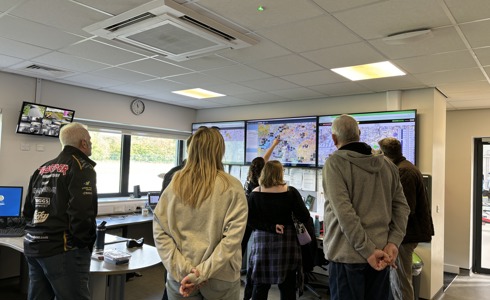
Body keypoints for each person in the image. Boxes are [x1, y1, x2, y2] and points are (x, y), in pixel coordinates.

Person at [153, 126, 248, 299]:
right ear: (219, 151)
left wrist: (185, 269)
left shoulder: (175, 183)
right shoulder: (232, 186)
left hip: (181, 276)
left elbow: (160, 231)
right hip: (221, 276)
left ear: (192, 149)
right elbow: (232, 239)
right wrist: (201, 273)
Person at [322, 114, 410, 300]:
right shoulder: (388, 165)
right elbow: (402, 207)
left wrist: (368, 251)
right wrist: (393, 242)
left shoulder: (334, 164)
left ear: (334, 138)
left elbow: (344, 213)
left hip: (348, 258)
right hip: (382, 254)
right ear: (359, 133)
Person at [23, 122, 98, 300]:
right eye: (90, 140)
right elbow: (81, 211)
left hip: (34, 245)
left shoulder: (41, 169)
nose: (91, 144)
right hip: (62, 249)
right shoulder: (82, 167)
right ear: (83, 143)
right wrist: (84, 244)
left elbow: (28, 210)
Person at [378, 137, 434, 300]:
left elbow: (405, 208)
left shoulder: (404, 171)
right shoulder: (404, 167)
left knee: (401, 280)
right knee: (397, 279)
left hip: (406, 234)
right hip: (406, 233)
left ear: (384, 153)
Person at [247, 160, 310, 300]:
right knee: (287, 286)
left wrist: (269, 227)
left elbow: (250, 221)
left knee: (261, 284)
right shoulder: (291, 192)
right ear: (280, 173)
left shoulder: (255, 194)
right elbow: (304, 216)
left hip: (262, 245)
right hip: (286, 244)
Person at [242, 137, 280, 300]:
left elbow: (263, 159)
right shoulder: (260, 185)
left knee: (243, 248)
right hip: (253, 220)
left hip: (245, 217)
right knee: (245, 248)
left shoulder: (250, 176)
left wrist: (274, 145)